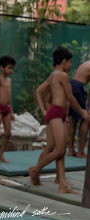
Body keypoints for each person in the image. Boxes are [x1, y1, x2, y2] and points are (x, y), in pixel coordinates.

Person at [28, 46, 89, 193]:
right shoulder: (62, 75)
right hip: (56, 113)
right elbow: (70, 97)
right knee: (60, 150)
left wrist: (44, 110)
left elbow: (38, 91)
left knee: (55, 148)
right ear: (63, 61)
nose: (71, 65)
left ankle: (62, 184)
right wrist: (82, 112)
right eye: (70, 62)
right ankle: (35, 170)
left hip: (57, 113)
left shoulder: (53, 75)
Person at [67, 59, 90, 158]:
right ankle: (80, 152)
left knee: (74, 119)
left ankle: (71, 149)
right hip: (79, 86)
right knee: (86, 118)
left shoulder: (86, 63)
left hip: (72, 84)